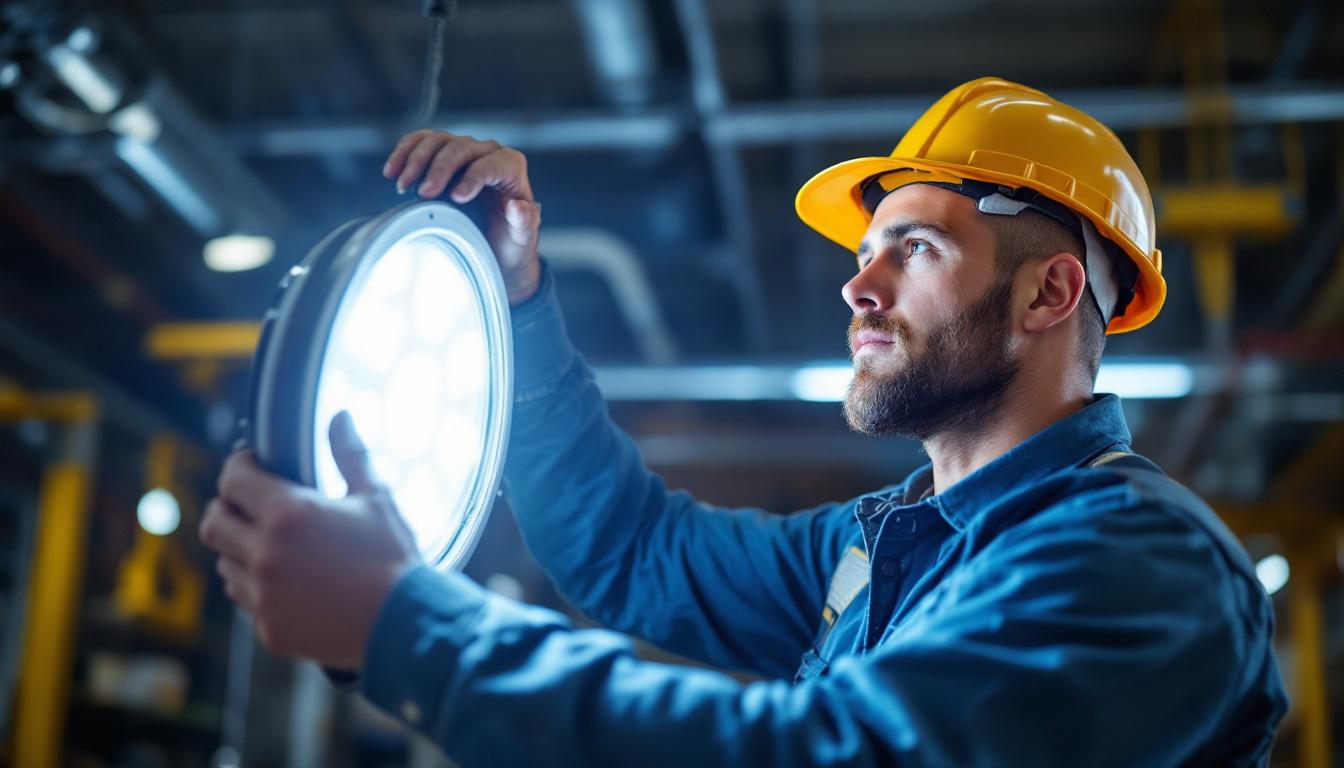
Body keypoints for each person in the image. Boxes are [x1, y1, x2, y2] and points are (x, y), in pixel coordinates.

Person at [200, 77, 1287, 766]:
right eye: (864, 255)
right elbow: (631, 549)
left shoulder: (1138, 564)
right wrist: (520, 301)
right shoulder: (879, 546)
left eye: (916, 249)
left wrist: (409, 630)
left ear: (1050, 297)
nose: (858, 289)